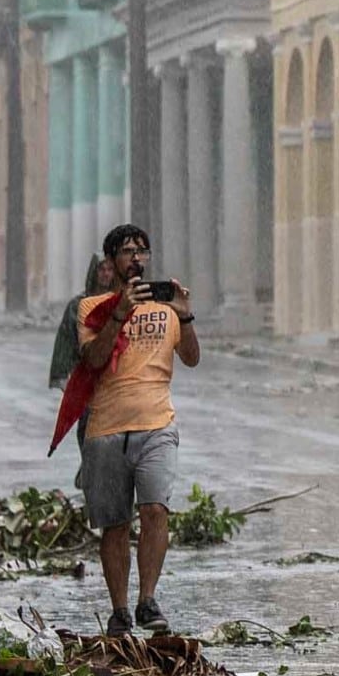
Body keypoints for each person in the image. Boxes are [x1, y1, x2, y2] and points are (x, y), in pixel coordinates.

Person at [53, 222, 200, 634]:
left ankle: (147, 600)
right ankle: (119, 609)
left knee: (155, 510)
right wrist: (119, 313)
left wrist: (186, 316)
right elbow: (94, 359)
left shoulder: (166, 308)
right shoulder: (91, 309)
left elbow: (191, 358)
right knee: (115, 525)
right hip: (106, 431)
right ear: (110, 262)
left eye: (142, 250)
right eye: (126, 251)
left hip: (158, 424)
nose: (136, 257)